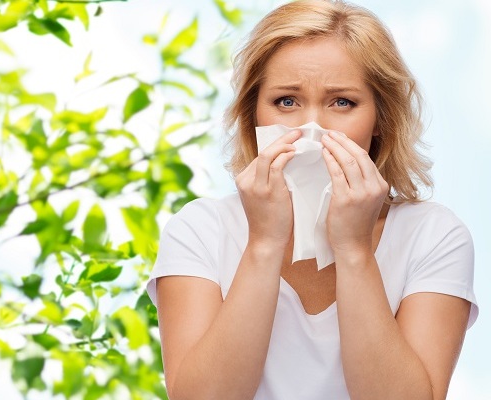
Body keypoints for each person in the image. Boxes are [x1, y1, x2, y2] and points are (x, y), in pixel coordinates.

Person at [145, 1, 479, 399]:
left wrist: (354, 250)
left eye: (342, 102)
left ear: (380, 121)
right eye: (287, 101)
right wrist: (264, 244)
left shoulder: (434, 236)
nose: (312, 129)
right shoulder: (199, 230)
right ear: (253, 116)